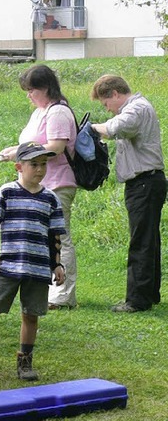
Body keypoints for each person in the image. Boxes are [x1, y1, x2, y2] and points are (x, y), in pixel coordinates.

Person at [0, 141, 66, 381]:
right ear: (19, 167)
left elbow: (55, 237)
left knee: (30, 315)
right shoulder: (6, 192)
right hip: (9, 265)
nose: (40, 169)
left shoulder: (51, 199)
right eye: (34, 164)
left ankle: (25, 360)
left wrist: (57, 263)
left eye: (43, 164)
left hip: (38, 267)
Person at [0, 65, 79, 310]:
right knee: (43, 238)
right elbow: (35, 143)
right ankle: (48, 287)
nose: (28, 95)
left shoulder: (58, 113)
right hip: (39, 183)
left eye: (31, 90)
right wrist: (15, 151)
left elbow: (55, 147)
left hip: (58, 182)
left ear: (44, 88)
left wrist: (19, 153)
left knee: (59, 237)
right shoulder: (40, 112)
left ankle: (63, 294)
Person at [89, 75, 166, 312]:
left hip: (144, 183)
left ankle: (137, 300)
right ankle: (149, 293)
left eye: (106, 104)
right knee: (148, 239)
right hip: (147, 183)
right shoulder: (137, 108)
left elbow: (113, 129)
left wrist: (89, 128)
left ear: (114, 93)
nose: (108, 109)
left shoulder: (136, 109)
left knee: (141, 241)